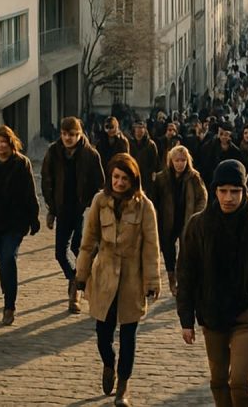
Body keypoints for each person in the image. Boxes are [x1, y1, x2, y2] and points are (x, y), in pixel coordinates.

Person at [177, 160, 248, 407]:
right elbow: (187, 274)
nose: (228, 197)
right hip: (213, 314)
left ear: (244, 190)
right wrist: (186, 319)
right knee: (219, 381)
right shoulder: (199, 225)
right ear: (214, 191)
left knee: (240, 383)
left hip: (246, 317)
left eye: (235, 191)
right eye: (223, 191)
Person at [75, 153, 160, 406]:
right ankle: (108, 363)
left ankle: (123, 386)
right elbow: (88, 241)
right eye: (116, 177)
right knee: (103, 334)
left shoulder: (144, 206)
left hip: (132, 279)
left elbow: (151, 247)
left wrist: (152, 282)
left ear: (133, 180)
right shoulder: (100, 202)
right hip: (104, 277)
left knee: (128, 336)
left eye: (125, 178)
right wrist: (81, 275)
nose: (119, 182)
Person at [42, 116, 105, 313]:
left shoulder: (90, 154)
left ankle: (76, 292)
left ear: (79, 134)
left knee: (80, 248)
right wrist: (52, 208)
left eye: (72, 134)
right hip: (63, 208)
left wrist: (93, 206)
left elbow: (100, 183)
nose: (67, 138)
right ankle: (74, 280)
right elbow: (46, 179)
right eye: (64, 134)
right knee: (60, 253)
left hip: (83, 209)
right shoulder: (54, 152)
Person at [0, 126, 41, 326]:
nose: (0, 146)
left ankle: (9, 306)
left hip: (16, 220)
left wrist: (34, 218)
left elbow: (30, 192)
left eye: (3, 142)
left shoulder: (21, 163)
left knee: (8, 258)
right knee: (2, 261)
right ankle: (8, 286)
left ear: (10, 143)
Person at [148, 146, 207, 297]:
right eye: (177, 160)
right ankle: (171, 280)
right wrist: (155, 216)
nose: (180, 163)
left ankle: (182, 282)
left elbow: (202, 197)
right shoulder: (162, 178)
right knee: (168, 252)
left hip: (186, 219)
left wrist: (196, 215)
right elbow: (153, 200)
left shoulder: (194, 177)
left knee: (185, 252)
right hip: (167, 221)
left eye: (183, 160)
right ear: (171, 161)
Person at [129, 121, 159, 194]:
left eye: (141, 131)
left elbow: (155, 161)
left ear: (144, 131)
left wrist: (153, 173)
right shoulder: (130, 143)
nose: (139, 134)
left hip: (147, 176)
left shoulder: (151, 144)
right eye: (137, 131)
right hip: (133, 174)